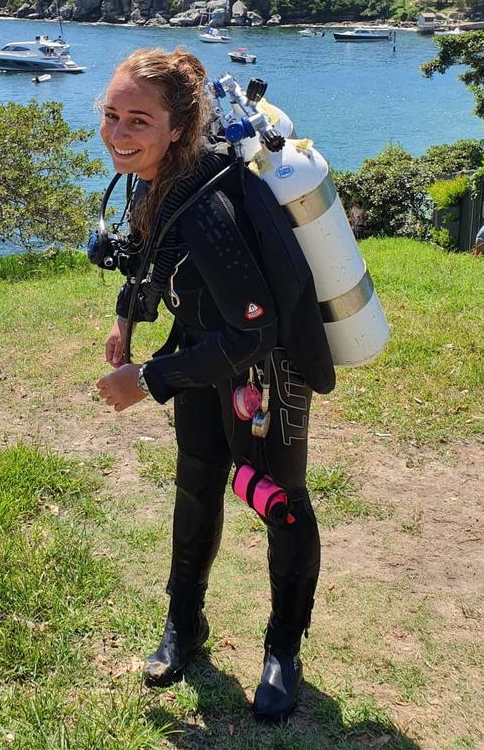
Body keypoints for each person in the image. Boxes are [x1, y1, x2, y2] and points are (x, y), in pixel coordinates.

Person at [95, 48, 335, 723]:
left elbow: (253, 332)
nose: (118, 133)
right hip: (202, 354)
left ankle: (283, 649)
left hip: (265, 370)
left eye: (137, 119)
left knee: (280, 504)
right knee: (196, 486)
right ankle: (185, 623)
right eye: (111, 115)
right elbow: (150, 258)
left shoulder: (206, 206)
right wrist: (126, 316)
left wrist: (146, 378)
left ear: (179, 126)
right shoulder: (156, 177)